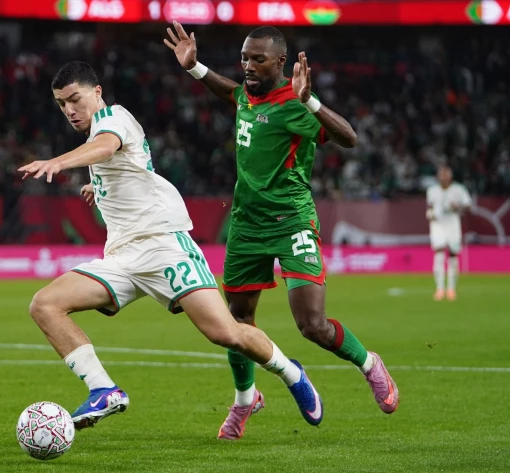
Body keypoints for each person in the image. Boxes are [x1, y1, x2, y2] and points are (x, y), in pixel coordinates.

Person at [18, 61, 324, 432]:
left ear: (96, 93)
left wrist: (57, 162)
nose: (69, 109)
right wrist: (98, 187)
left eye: (74, 99)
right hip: (122, 258)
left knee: (225, 333)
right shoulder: (96, 134)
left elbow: (106, 147)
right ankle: (103, 389)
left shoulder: (114, 118)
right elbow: (125, 164)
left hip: (164, 247)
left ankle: (292, 374)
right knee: (45, 304)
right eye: (61, 103)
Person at [165, 22, 400, 440]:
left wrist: (310, 101)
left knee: (312, 325)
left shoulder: (294, 104)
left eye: (258, 59)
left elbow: (348, 137)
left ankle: (369, 364)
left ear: (281, 62)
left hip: (292, 221)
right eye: (244, 58)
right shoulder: (246, 95)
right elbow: (231, 93)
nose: (248, 66)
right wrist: (195, 67)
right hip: (245, 225)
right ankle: (245, 400)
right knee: (236, 321)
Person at [426, 166, 472, 301]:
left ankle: (451, 289)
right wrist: (430, 214)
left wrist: (458, 207)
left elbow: (468, 206)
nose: (444, 178)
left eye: (446, 175)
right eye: (441, 175)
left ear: (450, 177)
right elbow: (429, 207)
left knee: (453, 254)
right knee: (439, 253)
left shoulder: (459, 189)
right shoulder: (432, 190)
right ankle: (439, 289)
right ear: (438, 177)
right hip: (438, 224)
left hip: (452, 223)